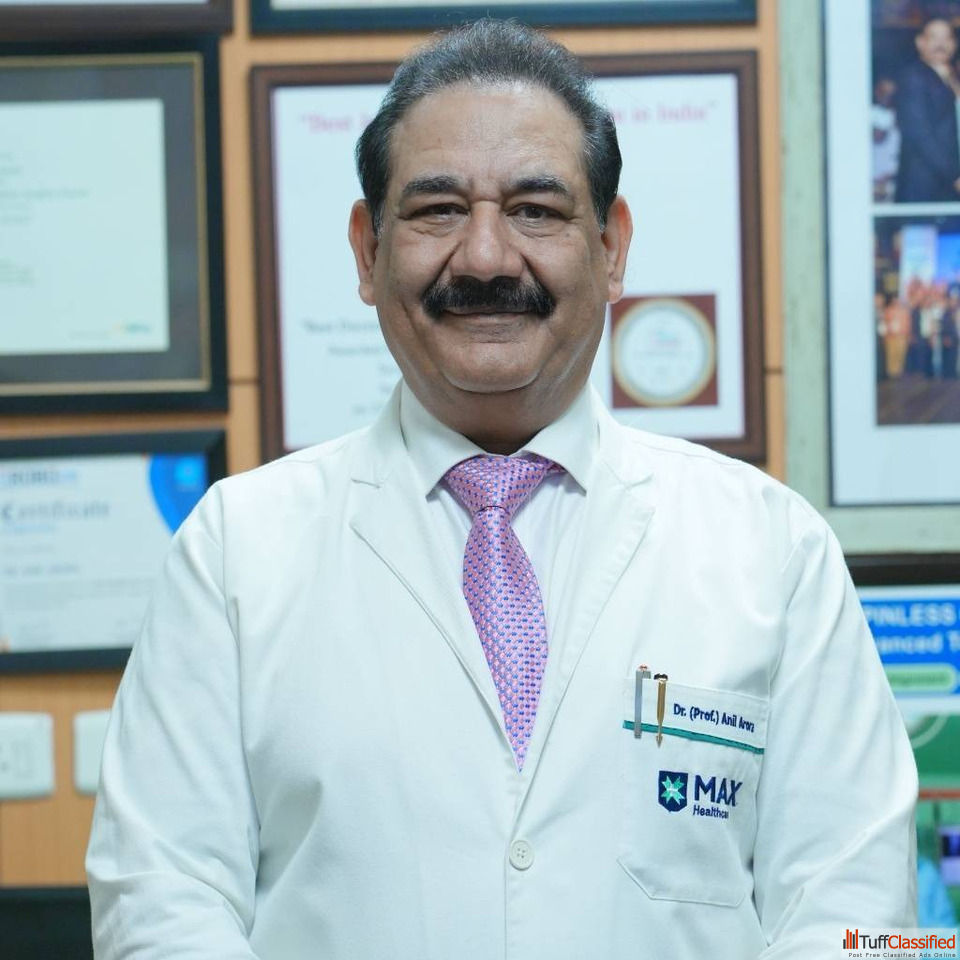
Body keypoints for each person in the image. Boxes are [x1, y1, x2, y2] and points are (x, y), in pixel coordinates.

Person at [86, 20, 918, 959]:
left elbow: (855, 912)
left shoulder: (772, 552)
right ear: (366, 252)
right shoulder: (235, 553)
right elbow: (162, 902)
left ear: (611, 246)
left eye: (535, 210)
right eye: (438, 210)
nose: (485, 258)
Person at [895, 17, 960, 203]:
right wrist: (955, 175)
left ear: (954, 44)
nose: (941, 44)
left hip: (948, 188)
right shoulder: (914, 77)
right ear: (920, 42)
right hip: (924, 187)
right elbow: (920, 134)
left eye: (946, 38)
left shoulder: (952, 77)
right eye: (934, 37)